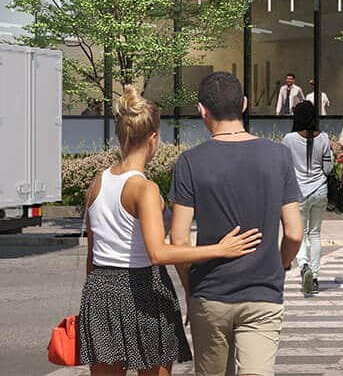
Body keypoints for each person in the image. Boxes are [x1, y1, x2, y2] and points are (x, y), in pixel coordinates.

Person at [76, 85, 261, 376]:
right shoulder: (144, 189)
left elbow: (91, 254)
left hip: (99, 291)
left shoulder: (97, 182)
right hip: (142, 289)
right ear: (153, 138)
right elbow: (158, 252)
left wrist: (94, 296)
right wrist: (219, 250)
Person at [168, 72, 304, 376]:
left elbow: (178, 242)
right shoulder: (279, 155)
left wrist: (192, 290)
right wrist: (278, 264)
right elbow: (294, 233)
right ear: (243, 104)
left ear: (201, 109)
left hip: (211, 294)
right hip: (264, 294)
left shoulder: (190, 162)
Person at [281, 100, 333, 296]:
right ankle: (316, 277)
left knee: (300, 233)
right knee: (315, 234)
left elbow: (283, 167)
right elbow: (328, 169)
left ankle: (303, 266)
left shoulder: (289, 139)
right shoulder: (324, 138)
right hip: (320, 190)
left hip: (298, 193)